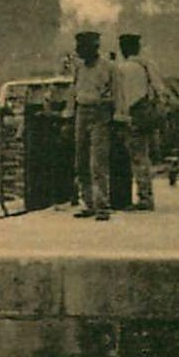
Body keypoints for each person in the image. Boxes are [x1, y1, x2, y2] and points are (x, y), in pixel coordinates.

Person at [64, 30, 117, 221]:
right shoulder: (79, 68)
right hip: (81, 112)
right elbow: (73, 92)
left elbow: (117, 94)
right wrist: (69, 117)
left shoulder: (109, 67)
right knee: (81, 160)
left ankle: (103, 206)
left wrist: (117, 116)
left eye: (82, 48)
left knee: (98, 162)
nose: (79, 51)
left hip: (100, 112)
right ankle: (89, 204)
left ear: (93, 48)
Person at [114, 33, 159, 211]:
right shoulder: (147, 65)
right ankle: (146, 195)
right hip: (147, 114)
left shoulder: (123, 69)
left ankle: (145, 199)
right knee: (144, 156)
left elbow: (123, 97)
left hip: (132, 115)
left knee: (137, 158)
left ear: (123, 49)